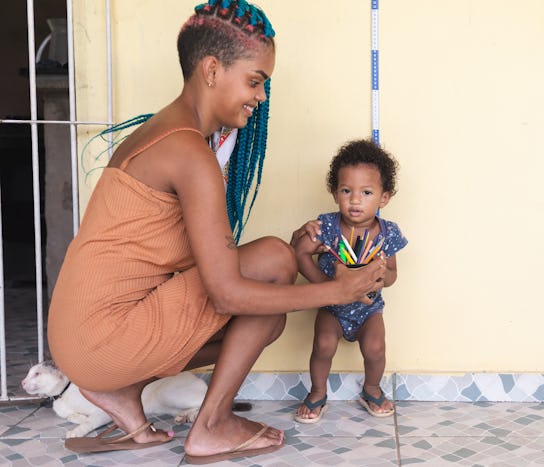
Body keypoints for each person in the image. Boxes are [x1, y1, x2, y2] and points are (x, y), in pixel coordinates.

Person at [47, 1, 385, 464]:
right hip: (102, 337)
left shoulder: (163, 133)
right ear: (210, 69)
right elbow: (226, 294)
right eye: (255, 80)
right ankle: (210, 426)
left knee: (270, 302)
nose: (260, 97)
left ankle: (124, 389)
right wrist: (337, 288)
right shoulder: (189, 153)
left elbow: (184, 260)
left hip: (79, 338)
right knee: (271, 265)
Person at [292, 139, 408, 424]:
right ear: (334, 193)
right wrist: (324, 287)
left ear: (384, 198)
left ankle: (371, 389)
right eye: (347, 190)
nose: (355, 200)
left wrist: (383, 277)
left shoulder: (388, 232)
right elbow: (300, 252)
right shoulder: (326, 226)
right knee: (323, 346)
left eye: (367, 192)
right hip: (332, 308)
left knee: (376, 349)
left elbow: (392, 274)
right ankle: (318, 392)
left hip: (369, 309)